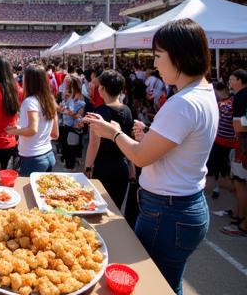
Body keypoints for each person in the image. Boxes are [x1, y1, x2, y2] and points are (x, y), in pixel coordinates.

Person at [85, 20, 217, 295]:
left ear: (178, 56)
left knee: (155, 287)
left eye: (158, 56)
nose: (154, 65)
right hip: (184, 206)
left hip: (168, 212)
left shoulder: (182, 103)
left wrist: (114, 133)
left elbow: (141, 157)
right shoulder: (203, 93)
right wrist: (149, 134)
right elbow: (177, 148)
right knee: (169, 284)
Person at [83, 69, 133, 210]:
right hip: (121, 167)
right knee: (115, 209)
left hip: (103, 167)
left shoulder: (100, 112)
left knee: (98, 209)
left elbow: (93, 144)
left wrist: (87, 167)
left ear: (102, 89)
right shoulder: (127, 110)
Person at [7, 63, 59, 176]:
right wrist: (21, 129)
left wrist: (15, 131)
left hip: (33, 159)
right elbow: (55, 133)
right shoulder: (50, 100)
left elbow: (33, 130)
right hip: (48, 155)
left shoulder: (30, 101)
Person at [224, 67, 247, 236]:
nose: (230, 82)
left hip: (243, 144)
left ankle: (241, 219)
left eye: (232, 79)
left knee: (240, 182)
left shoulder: (240, 96)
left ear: (240, 80)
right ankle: (239, 214)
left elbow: (238, 126)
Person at [59, 75, 87, 171]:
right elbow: (63, 109)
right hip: (67, 127)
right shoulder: (70, 95)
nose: (66, 86)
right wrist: (64, 110)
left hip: (74, 129)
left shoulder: (81, 98)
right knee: (67, 150)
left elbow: (80, 116)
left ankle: (70, 168)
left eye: (69, 84)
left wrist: (69, 112)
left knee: (71, 152)